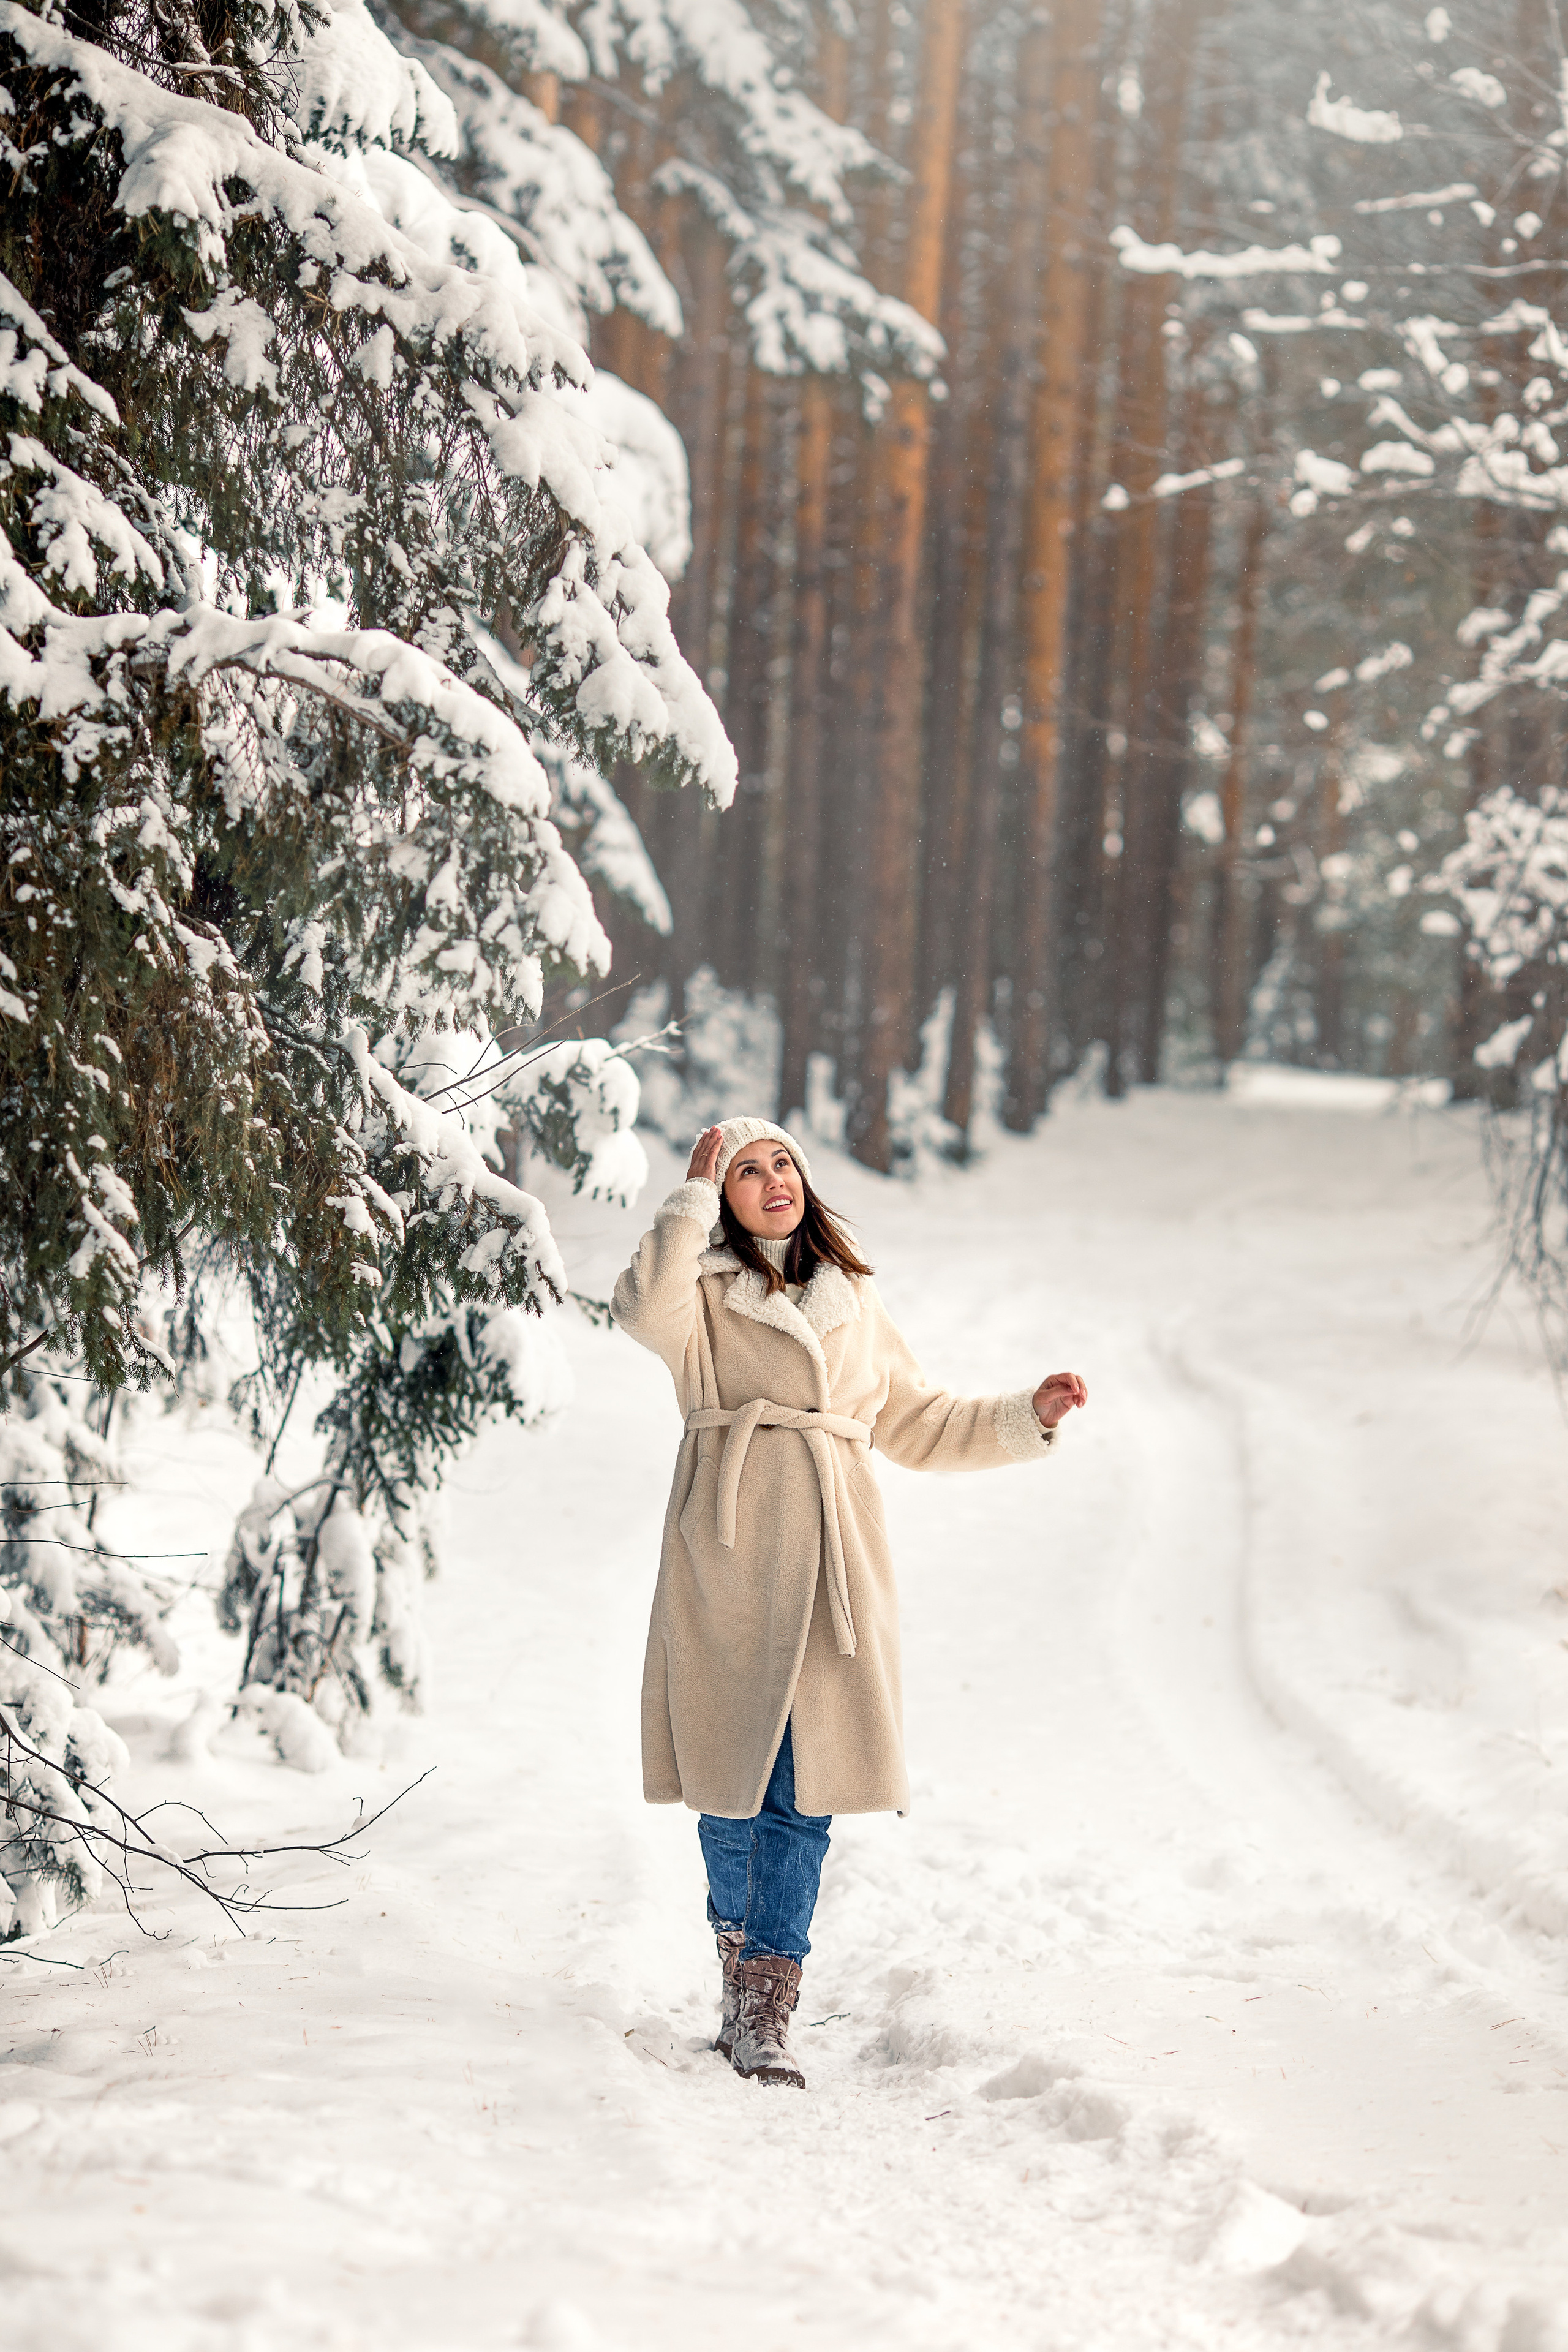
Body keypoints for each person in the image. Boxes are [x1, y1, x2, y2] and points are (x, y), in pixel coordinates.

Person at [611, 1117, 1087, 2089]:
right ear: (723, 1196)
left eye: (780, 1162)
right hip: (731, 1549)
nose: (771, 1180)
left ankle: (765, 2003)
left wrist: (1024, 1417)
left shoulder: (851, 1298)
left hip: (834, 1560)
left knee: (804, 1787)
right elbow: (638, 1303)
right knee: (727, 1786)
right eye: (745, 1171)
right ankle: (736, 1945)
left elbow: (916, 1419)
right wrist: (688, 1195)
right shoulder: (699, 1290)